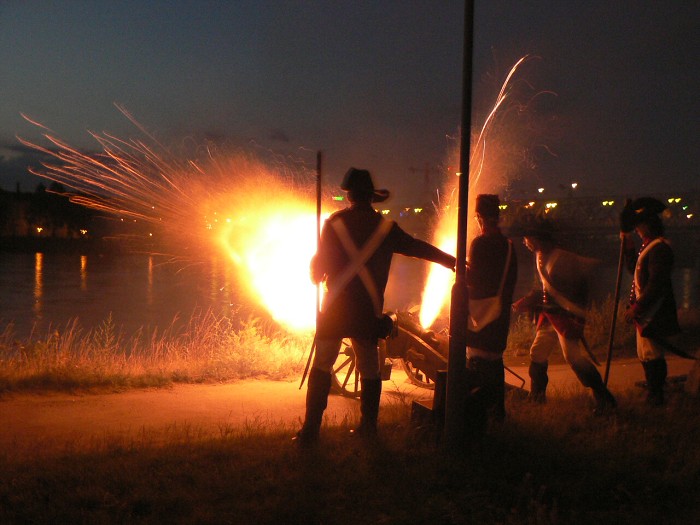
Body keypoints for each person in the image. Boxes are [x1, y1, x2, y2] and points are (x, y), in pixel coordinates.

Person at [294, 168, 456, 446]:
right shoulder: (386, 228)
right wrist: (451, 262)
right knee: (369, 368)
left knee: (322, 365)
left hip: (336, 307)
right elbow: (418, 248)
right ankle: (368, 428)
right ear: (371, 197)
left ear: (349, 195)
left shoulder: (334, 223)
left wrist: (315, 271)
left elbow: (319, 268)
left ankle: (310, 431)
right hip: (367, 310)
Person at [512, 219, 616, 413]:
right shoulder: (540, 256)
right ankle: (537, 398)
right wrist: (526, 301)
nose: (525, 242)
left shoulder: (563, 259)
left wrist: (577, 317)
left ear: (537, 238)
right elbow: (544, 290)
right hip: (550, 315)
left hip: (565, 317)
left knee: (573, 358)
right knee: (537, 353)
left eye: (527, 238)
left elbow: (578, 289)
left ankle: (603, 397)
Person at [620, 197, 681, 406]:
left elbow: (656, 284)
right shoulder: (649, 247)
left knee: (653, 355)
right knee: (645, 354)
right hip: (647, 312)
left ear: (648, 225)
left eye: (639, 225)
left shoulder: (660, 249)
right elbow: (636, 273)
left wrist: (637, 307)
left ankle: (657, 396)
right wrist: (628, 246)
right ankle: (654, 393)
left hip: (654, 312)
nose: (637, 229)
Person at [465, 194, 518, 422]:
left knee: (477, 362)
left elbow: (474, 282)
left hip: (480, 313)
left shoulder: (479, 243)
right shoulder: (509, 247)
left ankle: (477, 417)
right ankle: (498, 413)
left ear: (480, 217)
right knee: (495, 360)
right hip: (501, 312)